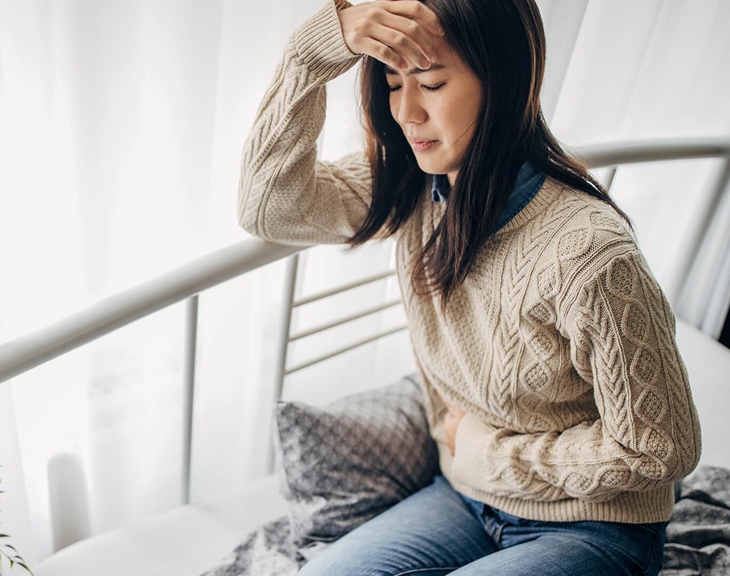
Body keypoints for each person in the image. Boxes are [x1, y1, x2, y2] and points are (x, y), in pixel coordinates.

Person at [237, 0, 703, 574]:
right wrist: (310, 54)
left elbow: (662, 448)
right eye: (391, 82)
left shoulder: (590, 254)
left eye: (431, 83)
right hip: (466, 495)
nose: (407, 112)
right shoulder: (412, 188)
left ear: (502, 83)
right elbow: (269, 209)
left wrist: (486, 452)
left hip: (594, 523)